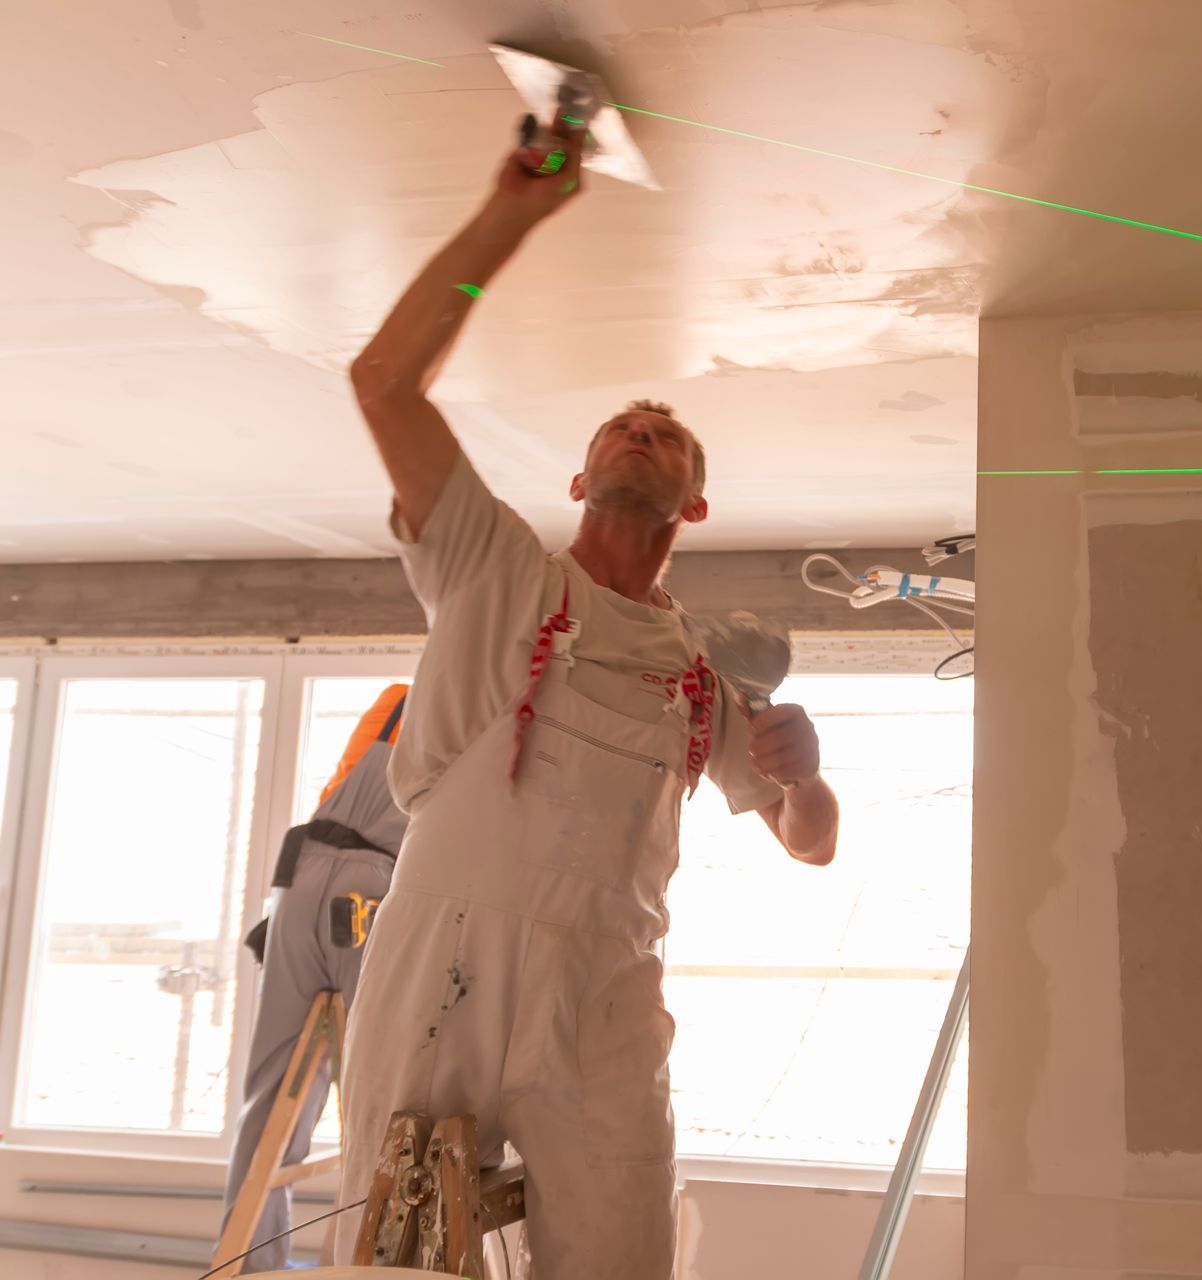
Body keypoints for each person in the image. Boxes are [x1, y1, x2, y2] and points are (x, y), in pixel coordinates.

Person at [333, 112, 841, 1276]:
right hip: (445, 959)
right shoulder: (495, 569)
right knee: (397, 1255)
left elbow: (808, 844)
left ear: (693, 506)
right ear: (580, 475)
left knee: (622, 1259)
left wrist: (806, 778)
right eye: (625, 424)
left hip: (610, 990)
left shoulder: (708, 686)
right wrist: (514, 210)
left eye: (669, 435)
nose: (644, 427)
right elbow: (383, 381)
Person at [218, 683, 409, 1273]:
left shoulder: (397, 699)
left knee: (272, 1088)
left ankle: (254, 1266)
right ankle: (367, 1265)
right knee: (380, 1088)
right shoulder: (479, 719)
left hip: (300, 887)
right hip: (374, 890)